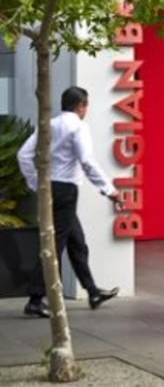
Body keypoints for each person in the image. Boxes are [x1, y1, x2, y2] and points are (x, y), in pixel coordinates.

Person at [18, 87, 122, 319]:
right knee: (55, 245)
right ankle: (35, 298)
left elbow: (23, 155)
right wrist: (109, 190)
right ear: (81, 106)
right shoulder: (78, 126)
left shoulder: (50, 124)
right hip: (66, 190)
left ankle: (92, 291)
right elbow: (86, 161)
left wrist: (36, 182)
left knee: (77, 242)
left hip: (50, 189)